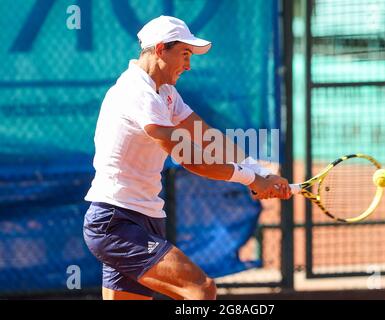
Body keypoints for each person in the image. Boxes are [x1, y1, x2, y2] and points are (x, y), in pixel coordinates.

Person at [83, 15, 291, 300]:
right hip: (116, 222)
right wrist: (250, 179)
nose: (188, 65)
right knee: (201, 289)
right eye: (184, 54)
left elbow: (207, 137)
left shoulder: (166, 93)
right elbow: (189, 157)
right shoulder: (137, 92)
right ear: (160, 50)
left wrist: (260, 172)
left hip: (144, 217)